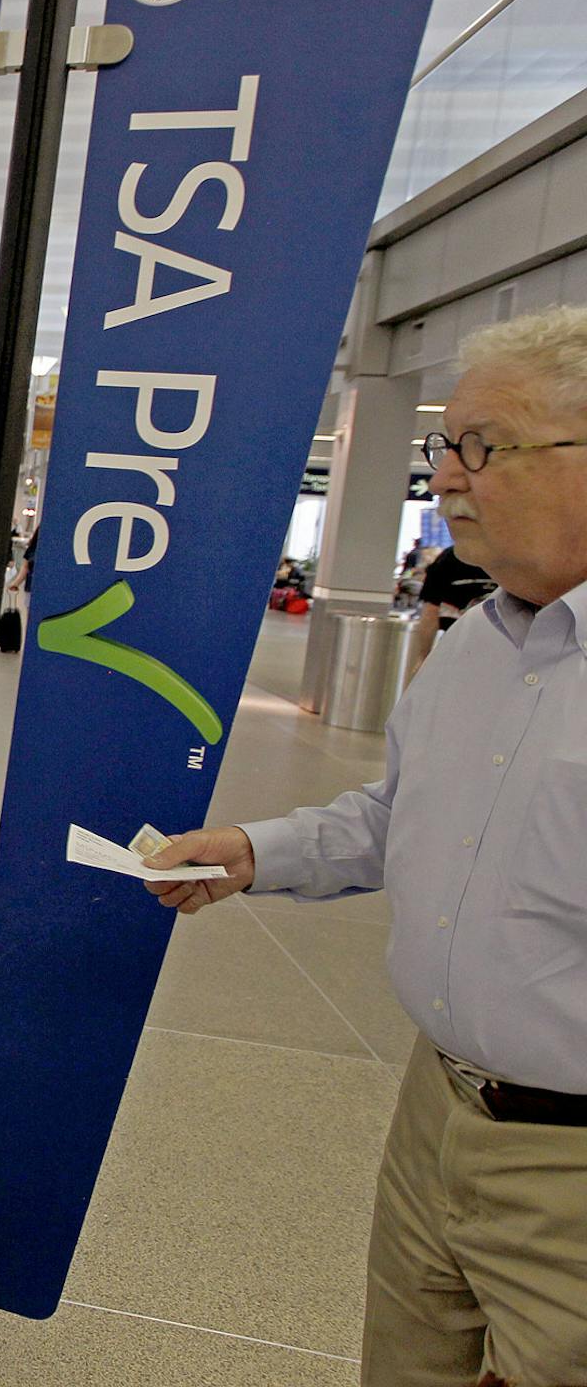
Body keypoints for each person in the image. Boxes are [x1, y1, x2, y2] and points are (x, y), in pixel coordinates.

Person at [143, 305, 587, 1387]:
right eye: (446, 446)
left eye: (486, 447)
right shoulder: (481, 645)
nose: (447, 478)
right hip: (434, 1112)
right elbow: (401, 816)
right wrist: (254, 851)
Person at [405, 544, 495, 681]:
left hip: (456, 650)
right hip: (501, 653)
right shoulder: (510, 559)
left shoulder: (448, 558)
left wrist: (424, 656)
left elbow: (430, 612)